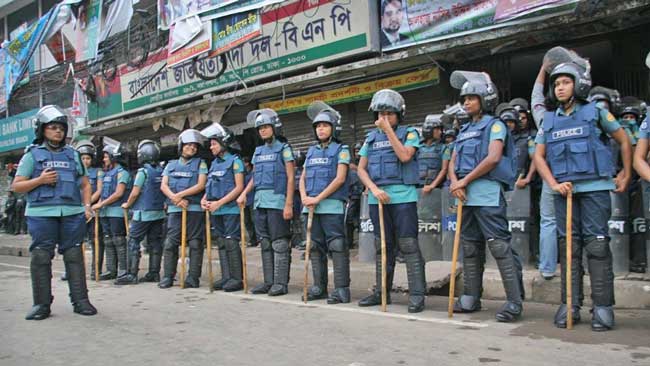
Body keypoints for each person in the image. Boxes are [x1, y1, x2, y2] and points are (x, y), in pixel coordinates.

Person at [532, 52, 632, 331]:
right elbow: (539, 157)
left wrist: (625, 172)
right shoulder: (549, 120)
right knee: (569, 250)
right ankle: (570, 304)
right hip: (565, 193)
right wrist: (553, 184)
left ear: (579, 84)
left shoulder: (595, 112)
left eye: (566, 82)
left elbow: (624, 140)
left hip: (596, 189)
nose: (560, 87)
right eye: (556, 84)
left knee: (598, 247)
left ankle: (602, 307)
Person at [448, 70, 523, 322]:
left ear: (484, 98)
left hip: (487, 195)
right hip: (465, 197)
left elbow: (493, 157)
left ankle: (514, 302)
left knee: (499, 247)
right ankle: (471, 296)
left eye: (471, 97)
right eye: (464, 99)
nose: (466, 102)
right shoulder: (464, 129)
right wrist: (454, 182)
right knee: (470, 248)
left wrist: (465, 180)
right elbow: (453, 159)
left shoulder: (496, 125)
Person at [12, 105, 97, 320]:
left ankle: (81, 301)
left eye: (60, 128)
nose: (57, 132)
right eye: (52, 127)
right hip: (41, 213)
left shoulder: (73, 155)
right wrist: (40, 180)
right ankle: (41, 304)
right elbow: (17, 186)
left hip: (72, 213)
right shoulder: (32, 155)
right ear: (42, 130)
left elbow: (85, 185)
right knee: (41, 256)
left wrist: (87, 207)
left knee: (74, 255)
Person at [356, 89, 426, 313]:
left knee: (408, 245)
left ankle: (417, 295)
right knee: (382, 246)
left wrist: (388, 132)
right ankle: (381, 292)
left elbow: (405, 156)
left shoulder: (410, 133)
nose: (384, 118)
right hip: (379, 199)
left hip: (403, 198)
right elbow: (361, 169)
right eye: (380, 114)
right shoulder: (370, 138)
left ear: (399, 115)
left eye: (389, 114)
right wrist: (373, 189)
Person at [237, 109, 295, 296]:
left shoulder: (284, 149)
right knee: (265, 243)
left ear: (274, 128)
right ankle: (268, 281)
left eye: (266, 127)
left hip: (277, 202)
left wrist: (288, 204)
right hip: (260, 202)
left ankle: (280, 283)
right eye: (260, 128)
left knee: (279, 244)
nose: (262, 131)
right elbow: (254, 177)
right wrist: (244, 193)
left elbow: (291, 177)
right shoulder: (258, 151)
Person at [300, 102, 351, 304]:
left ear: (334, 128)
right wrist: (304, 197)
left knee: (337, 246)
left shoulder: (342, 149)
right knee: (313, 247)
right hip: (310, 206)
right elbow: (302, 177)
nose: (320, 129)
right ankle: (319, 287)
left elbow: (339, 179)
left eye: (325, 125)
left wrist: (317, 198)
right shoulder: (311, 151)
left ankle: (341, 290)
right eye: (318, 126)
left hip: (331, 206)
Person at [159, 130, 208, 289]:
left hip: (194, 210)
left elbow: (201, 185)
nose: (191, 148)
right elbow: (163, 185)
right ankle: (167, 276)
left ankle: (193, 278)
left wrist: (180, 195)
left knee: (195, 244)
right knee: (170, 244)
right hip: (175, 210)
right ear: (181, 146)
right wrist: (175, 199)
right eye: (188, 145)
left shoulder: (201, 163)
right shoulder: (171, 165)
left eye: (194, 146)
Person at [201, 124, 245, 292]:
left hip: (230, 210)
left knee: (231, 242)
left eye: (214, 143)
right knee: (221, 242)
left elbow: (238, 187)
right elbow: (210, 186)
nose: (211, 147)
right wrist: (205, 200)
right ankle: (226, 277)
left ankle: (236, 278)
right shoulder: (213, 164)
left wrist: (220, 203)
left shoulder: (235, 162)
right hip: (215, 210)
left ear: (224, 143)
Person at [117, 140, 166, 284]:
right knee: (155, 242)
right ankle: (154, 273)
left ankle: (132, 274)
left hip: (143, 212)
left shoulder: (143, 171)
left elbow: (135, 193)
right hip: (158, 213)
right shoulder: (161, 171)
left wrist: (127, 204)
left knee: (133, 241)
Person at [92, 140, 131, 283]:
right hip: (104, 212)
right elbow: (101, 191)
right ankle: (111, 270)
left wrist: (101, 204)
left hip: (116, 212)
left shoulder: (122, 173)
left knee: (119, 240)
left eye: (106, 156)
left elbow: (118, 193)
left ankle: (123, 270)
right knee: (108, 240)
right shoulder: (105, 173)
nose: (104, 159)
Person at [75, 140, 104, 281]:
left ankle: (95, 270)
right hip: (76, 211)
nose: (85, 161)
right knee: (75, 242)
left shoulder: (97, 172)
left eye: (88, 158)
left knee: (96, 241)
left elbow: (99, 190)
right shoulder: (74, 172)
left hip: (91, 211)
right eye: (83, 158)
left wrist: (87, 203)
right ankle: (74, 271)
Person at [419, 114, 448, 194]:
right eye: (437, 129)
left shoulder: (444, 148)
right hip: (418, 188)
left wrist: (432, 186)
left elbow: (444, 169)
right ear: (429, 130)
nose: (440, 132)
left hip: (436, 190)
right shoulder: (418, 147)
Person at [242, 157, 258, 247]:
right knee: (247, 221)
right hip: (245, 201)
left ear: (247, 163)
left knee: (254, 220)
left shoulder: (253, 174)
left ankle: (259, 239)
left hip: (252, 200)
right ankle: (252, 240)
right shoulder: (242, 175)